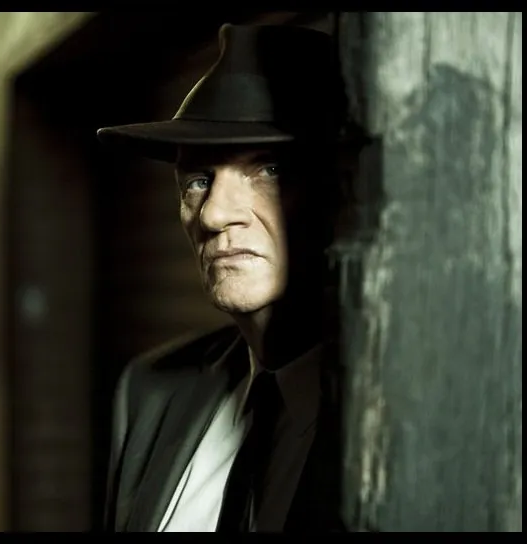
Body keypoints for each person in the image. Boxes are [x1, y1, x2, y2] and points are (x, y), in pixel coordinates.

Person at [96, 23, 350, 533]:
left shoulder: (400, 409)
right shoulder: (151, 390)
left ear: (342, 187)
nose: (213, 214)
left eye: (269, 170)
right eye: (197, 180)